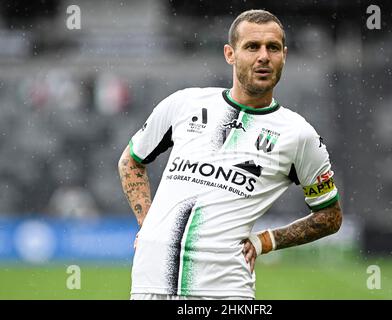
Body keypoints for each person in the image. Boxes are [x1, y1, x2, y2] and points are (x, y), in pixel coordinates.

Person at [118, 9, 342, 300]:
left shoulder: (299, 135)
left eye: (272, 48)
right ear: (230, 54)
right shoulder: (183, 104)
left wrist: (267, 240)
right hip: (150, 283)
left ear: (284, 55)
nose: (264, 56)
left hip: (223, 291)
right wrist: (146, 224)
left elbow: (330, 215)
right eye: (252, 47)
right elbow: (131, 161)